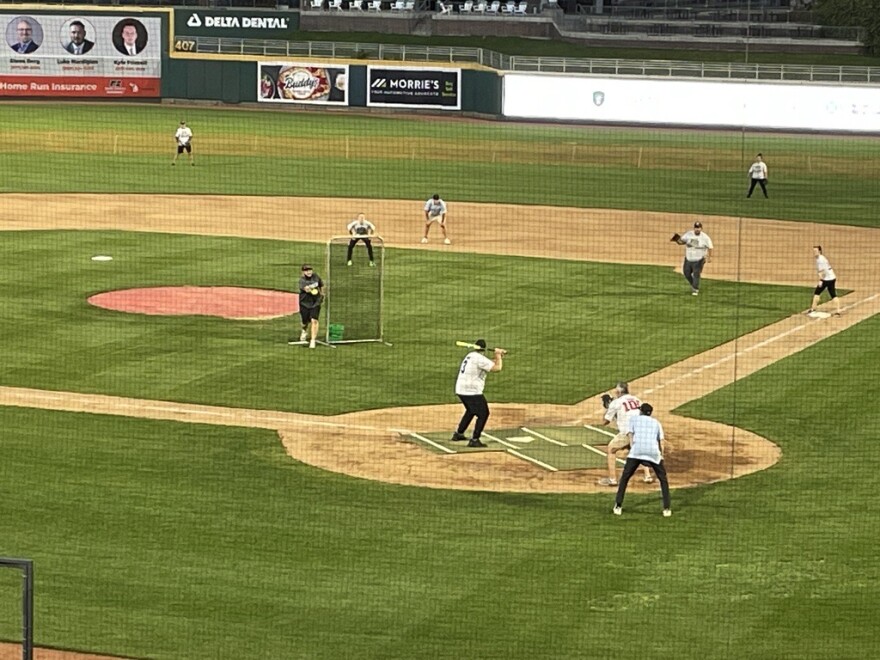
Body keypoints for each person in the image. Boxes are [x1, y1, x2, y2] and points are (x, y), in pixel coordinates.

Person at [613, 403, 671, 518]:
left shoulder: (634, 419)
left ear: (641, 411)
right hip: (653, 452)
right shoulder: (656, 423)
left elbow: (630, 436)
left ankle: (618, 506)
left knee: (625, 478)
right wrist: (661, 456)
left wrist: (632, 449)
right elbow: (661, 442)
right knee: (663, 480)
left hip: (637, 451)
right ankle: (667, 509)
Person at [450, 339, 506, 448]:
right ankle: (475, 439)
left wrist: (497, 357)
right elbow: (497, 368)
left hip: (461, 390)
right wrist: (498, 356)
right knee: (484, 414)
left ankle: (459, 433)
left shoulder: (471, 355)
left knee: (471, 410)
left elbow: (487, 363)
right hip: (471, 392)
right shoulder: (480, 359)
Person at [598, 382, 653, 486]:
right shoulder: (637, 400)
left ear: (619, 392)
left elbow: (605, 421)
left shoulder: (616, 403)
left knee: (611, 449)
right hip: (643, 430)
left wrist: (607, 409)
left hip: (628, 433)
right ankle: (648, 476)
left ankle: (612, 479)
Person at [672, 221, 714, 296]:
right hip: (688, 258)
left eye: (699, 228)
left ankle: (695, 290)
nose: (697, 229)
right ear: (694, 228)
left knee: (696, 274)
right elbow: (682, 242)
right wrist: (677, 241)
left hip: (699, 259)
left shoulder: (705, 237)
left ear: (701, 228)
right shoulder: (689, 234)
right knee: (686, 273)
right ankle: (694, 284)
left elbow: (710, 247)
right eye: (696, 228)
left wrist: (709, 257)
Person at [806, 245, 841, 316]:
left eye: (815, 251)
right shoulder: (820, 258)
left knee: (817, 292)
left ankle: (813, 309)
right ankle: (838, 310)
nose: (814, 252)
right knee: (832, 294)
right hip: (831, 278)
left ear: (819, 251)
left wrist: (821, 280)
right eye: (813, 251)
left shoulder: (821, 259)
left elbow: (823, 271)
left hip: (827, 279)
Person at [296, 264, 324, 349]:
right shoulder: (302, 280)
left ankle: (313, 340)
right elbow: (307, 289)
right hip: (304, 303)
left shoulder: (316, 277)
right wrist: (313, 290)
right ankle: (304, 330)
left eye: (310, 270)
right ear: (303, 272)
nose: (308, 272)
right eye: (306, 270)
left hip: (315, 302)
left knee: (314, 320)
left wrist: (322, 294)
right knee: (305, 321)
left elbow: (321, 285)